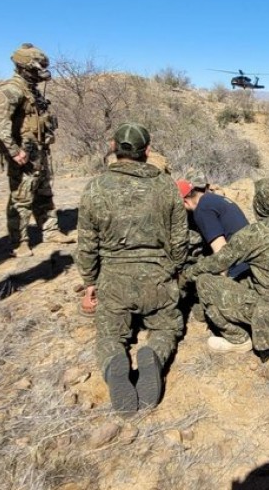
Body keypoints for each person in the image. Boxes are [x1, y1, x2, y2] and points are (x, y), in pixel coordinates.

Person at [76, 122, 188, 412]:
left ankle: (115, 362)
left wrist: (90, 284)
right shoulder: (166, 185)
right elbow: (180, 239)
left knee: (110, 335)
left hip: (113, 282)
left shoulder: (96, 187)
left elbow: (87, 244)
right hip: (157, 279)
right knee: (165, 328)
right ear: (147, 151)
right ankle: (153, 353)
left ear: (113, 147)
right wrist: (174, 270)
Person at [181, 178, 269, 358]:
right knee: (250, 277)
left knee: (205, 281)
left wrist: (186, 275)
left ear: (257, 206)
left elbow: (218, 261)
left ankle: (238, 340)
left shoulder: (254, 234)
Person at [0, 43, 71, 257]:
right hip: (23, 153)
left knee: (43, 192)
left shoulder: (31, 91)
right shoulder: (11, 90)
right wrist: (14, 151)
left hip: (38, 151)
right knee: (21, 198)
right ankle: (19, 241)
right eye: (36, 69)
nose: (41, 73)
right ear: (24, 68)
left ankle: (50, 230)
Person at [176, 173, 250, 279]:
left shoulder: (202, 209)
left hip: (238, 270)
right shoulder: (213, 199)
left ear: (185, 201)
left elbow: (221, 249)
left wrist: (222, 282)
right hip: (250, 261)